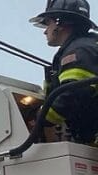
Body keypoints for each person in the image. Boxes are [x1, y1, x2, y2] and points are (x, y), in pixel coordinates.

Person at [32, 0, 98, 145]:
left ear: (59, 23)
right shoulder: (90, 45)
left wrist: (41, 117)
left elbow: (73, 94)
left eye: (47, 24)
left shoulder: (79, 51)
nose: (45, 31)